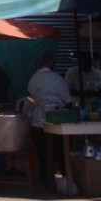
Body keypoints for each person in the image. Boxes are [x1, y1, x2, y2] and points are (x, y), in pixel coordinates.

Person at [26, 52, 71, 188]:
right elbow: (67, 99)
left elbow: (32, 95)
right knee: (60, 150)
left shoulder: (33, 79)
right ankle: (66, 177)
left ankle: (45, 179)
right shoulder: (55, 78)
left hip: (38, 120)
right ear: (51, 63)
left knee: (42, 152)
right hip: (55, 118)